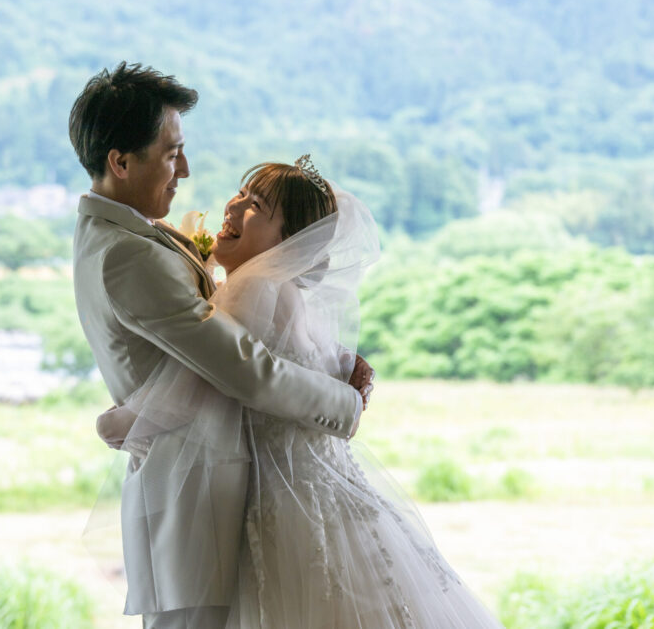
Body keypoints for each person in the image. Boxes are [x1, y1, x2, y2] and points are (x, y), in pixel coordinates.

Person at [102, 158, 505, 628]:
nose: (233, 207)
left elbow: (205, 384)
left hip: (283, 494)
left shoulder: (253, 287)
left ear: (289, 243)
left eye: (256, 206)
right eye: (241, 194)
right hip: (316, 486)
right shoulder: (282, 290)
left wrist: (118, 423)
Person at [68, 62, 373, 629]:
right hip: (193, 492)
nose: (184, 169)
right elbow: (241, 366)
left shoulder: (129, 234)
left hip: (212, 488)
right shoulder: (128, 254)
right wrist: (345, 402)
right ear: (120, 162)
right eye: (172, 154)